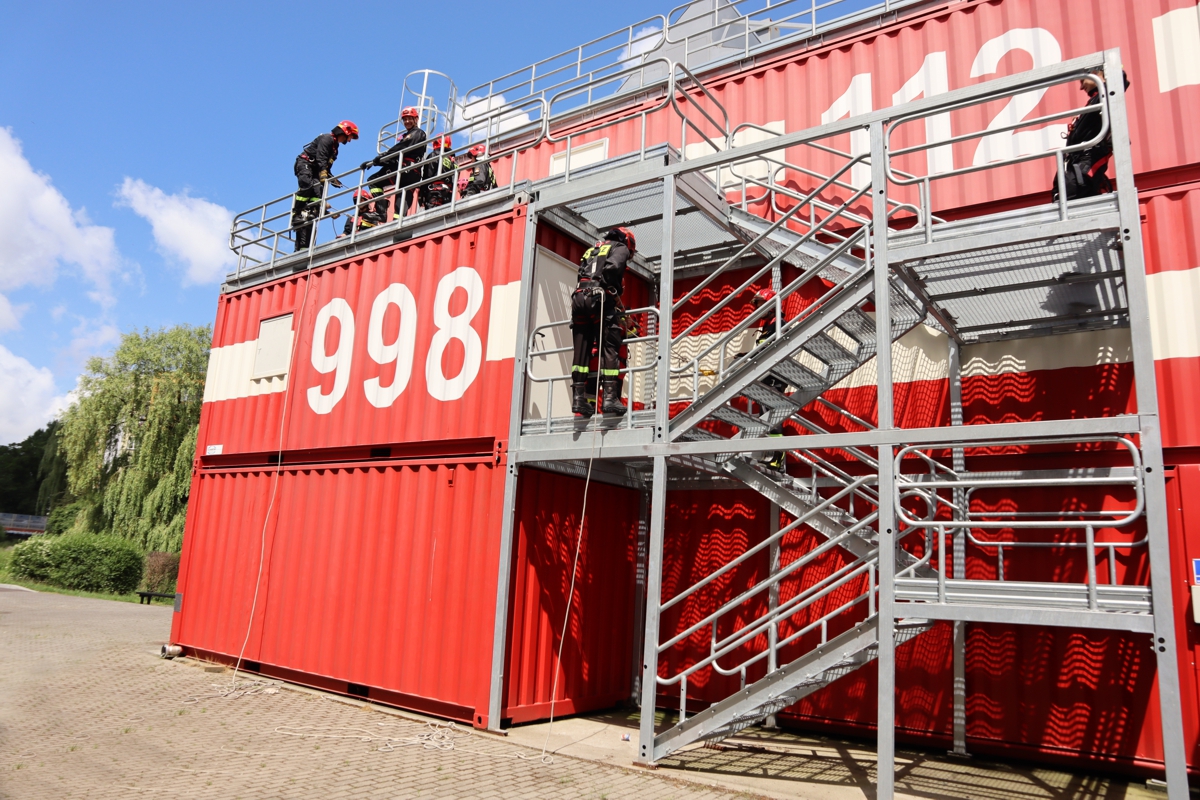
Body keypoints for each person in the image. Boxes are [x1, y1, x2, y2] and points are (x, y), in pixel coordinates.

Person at [570, 227, 636, 418]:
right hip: (599, 298)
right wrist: (611, 289)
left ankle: (578, 399)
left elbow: (581, 273)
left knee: (581, 350)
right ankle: (609, 398)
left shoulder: (593, 249)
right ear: (629, 243)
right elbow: (613, 268)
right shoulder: (620, 248)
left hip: (578, 299)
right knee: (610, 344)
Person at [1052, 69, 1130, 202]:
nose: (1081, 87)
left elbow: (1119, 83)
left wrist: (1111, 71)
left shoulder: (1104, 97)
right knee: (1061, 200)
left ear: (1097, 73)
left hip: (1083, 171)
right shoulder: (1096, 100)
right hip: (1076, 169)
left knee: (1070, 204)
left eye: (1083, 81)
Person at [291, 120, 359, 251]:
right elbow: (321, 158)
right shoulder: (327, 139)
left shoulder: (335, 149)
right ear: (346, 131)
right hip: (305, 164)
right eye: (351, 136)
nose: (350, 140)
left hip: (316, 170)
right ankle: (297, 213)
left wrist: (332, 179)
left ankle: (315, 210)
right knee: (307, 185)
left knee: (319, 190)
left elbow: (326, 167)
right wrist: (323, 173)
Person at [362, 107, 427, 219]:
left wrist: (380, 159)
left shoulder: (417, 133)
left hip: (406, 170)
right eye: (405, 119)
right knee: (402, 198)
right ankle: (398, 220)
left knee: (374, 181)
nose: (407, 121)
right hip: (410, 171)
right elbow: (396, 154)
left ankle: (381, 212)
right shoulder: (411, 135)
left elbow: (401, 149)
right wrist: (374, 162)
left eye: (409, 119)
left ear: (416, 119)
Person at [419, 136, 456, 209]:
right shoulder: (452, 161)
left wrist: (421, 194)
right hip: (448, 194)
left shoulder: (434, 155)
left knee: (432, 214)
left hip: (435, 192)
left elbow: (428, 175)